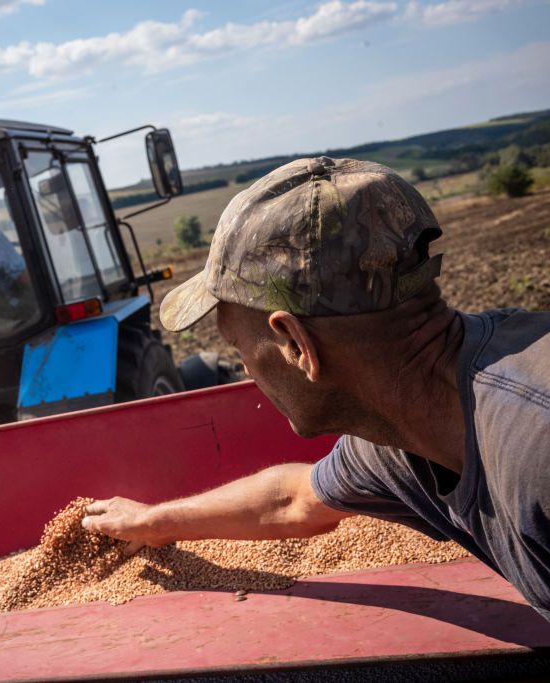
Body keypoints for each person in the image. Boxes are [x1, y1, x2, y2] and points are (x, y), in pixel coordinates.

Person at [81, 156, 550, 620]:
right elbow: (292, 500)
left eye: (237, 345)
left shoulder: (535, 453)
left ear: (295, 343)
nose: (245, 372)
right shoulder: (400, 436)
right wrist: (152, 522)